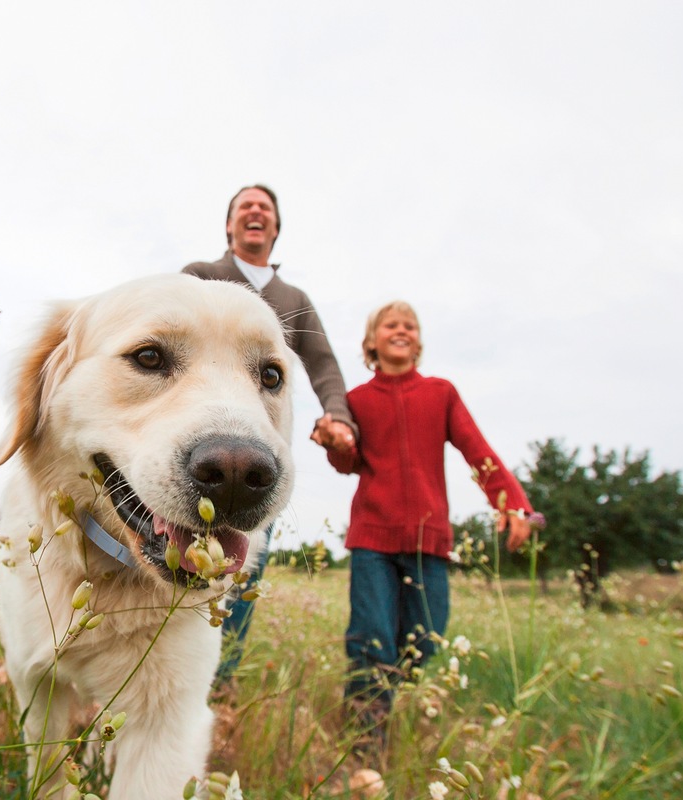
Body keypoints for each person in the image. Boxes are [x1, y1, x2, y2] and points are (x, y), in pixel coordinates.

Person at [327, 300, 532, 761]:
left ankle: (385, 697)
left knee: (427, 636)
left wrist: (513, 504)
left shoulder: (441, 393)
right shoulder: (357, 400)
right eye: (390, 325)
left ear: (419, 341)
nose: (401, 330)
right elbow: (348, 463)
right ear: (372, 341)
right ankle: (363, 745)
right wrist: (334, 442)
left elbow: (477, 451)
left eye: (410, 325)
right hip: (372, 540)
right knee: (372, 636)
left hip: (429, 540)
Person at [182, 184, 359, 687]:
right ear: (230, 227)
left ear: (276, 229)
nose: (255, 212)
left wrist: (338, 416)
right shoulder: (202, 276)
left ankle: (221, 683)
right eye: (245, 207)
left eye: (265, 208)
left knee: (238, 573)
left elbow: (323, 364)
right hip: (194, 445)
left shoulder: (293, 300)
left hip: (257, 455)